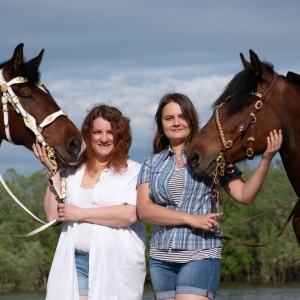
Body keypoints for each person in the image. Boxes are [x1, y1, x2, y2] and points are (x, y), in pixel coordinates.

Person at [136, 93, 282, 300]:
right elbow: (144, 209)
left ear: (192, 119)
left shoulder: (212, 156)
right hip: (161, 258)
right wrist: (190, 218)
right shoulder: (151, 162)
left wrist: (266, 160)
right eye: (169, 118)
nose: (176, 123)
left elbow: (244, 195)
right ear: (161, 123)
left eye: (181, 116)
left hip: (200, 253)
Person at [33, 104, 146, 300]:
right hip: (75, 262)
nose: (104, 138)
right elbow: (53, 215)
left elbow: (129, 214)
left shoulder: (133, 171)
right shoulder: (71, 172)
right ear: (88, 135)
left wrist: (80, 214)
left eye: (110, 132)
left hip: (114, 262)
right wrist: (52, 169)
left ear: (120, 136)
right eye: (97, 132)